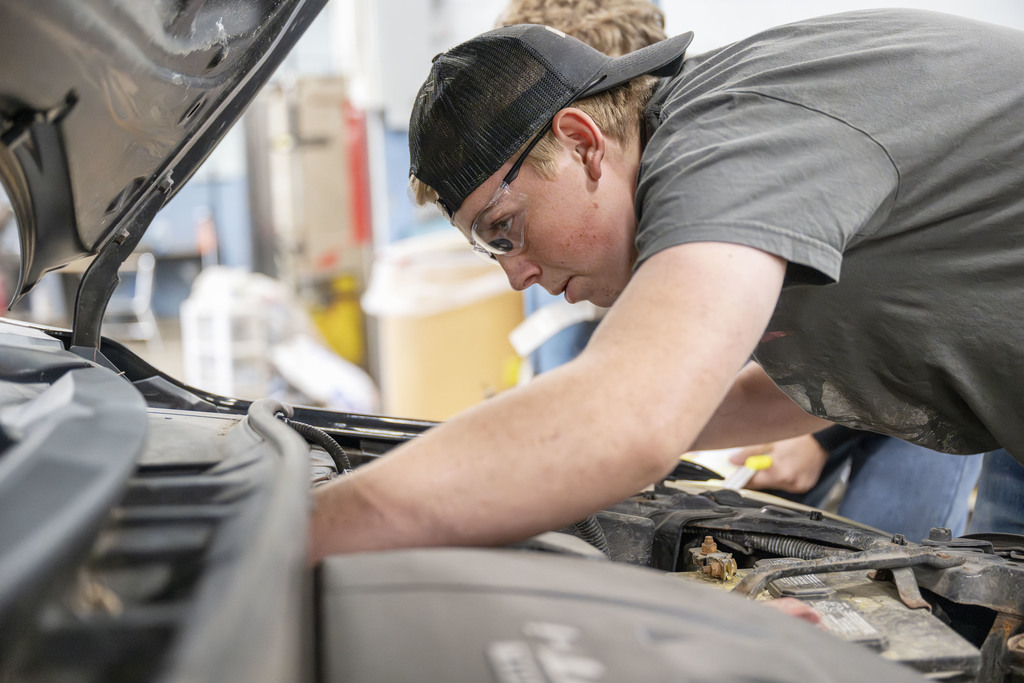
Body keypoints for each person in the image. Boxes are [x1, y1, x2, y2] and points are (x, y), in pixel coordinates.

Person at [311, 9, 1024, 562]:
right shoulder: (723, 158)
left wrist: (294, 535)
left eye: (505, 229)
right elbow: (775, 391)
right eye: (488, 251)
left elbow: (631, 423)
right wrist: (529, 435)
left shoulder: (726, 140)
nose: (516, 273)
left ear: (584, 142)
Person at [497, 0, 985, 542]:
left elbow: (892, 333)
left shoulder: (738, 158)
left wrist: (815, 437)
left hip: (931, 360)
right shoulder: (555, 246)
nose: (519, 273)